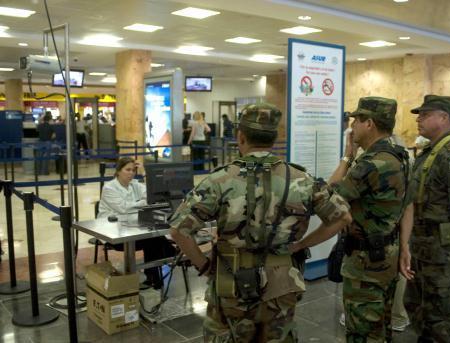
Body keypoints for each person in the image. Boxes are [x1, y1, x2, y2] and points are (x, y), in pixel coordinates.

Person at [170, 103, 352, 342]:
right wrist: (301, 244)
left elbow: (178, 230)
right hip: (282, 283)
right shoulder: (301, 179)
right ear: (274, 139)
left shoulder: (219, 180)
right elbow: (342, 218)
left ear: (240, 137)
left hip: (230, 285)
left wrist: (204, 266)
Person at [304, 97, 411, 342]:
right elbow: (409, 205)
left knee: (362, 332)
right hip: (388, 255)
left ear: (370, 123)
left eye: (356, 120)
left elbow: (329, 200)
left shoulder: (369, 164)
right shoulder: (401, 155)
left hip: (365, 265)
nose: (352, 127)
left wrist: (346, 158)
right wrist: (405, 246)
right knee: (381, 326)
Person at [405, 95, 450, 342]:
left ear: (444, 118)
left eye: (425, 115)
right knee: (420, 307)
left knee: (444, 315)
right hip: (423, 248)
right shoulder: (431, 151)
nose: (419, 120)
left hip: (441, 250)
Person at [98, 157, 175, 289]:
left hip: (133, 228)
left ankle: (153, 277)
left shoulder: (135, 184)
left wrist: (144, 173)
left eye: (133, 170)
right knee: (154, 240)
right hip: (113, 234)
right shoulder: (109, 188)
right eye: (127, 170)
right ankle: (171, 257)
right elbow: (123, 208)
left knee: (154, 238)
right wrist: (141, 204)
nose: (131, 173)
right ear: (118, 171)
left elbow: (150, 195)